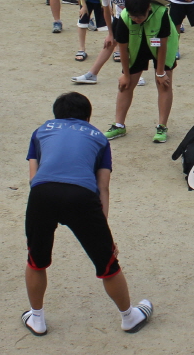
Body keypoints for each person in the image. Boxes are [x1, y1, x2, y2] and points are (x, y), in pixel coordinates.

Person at [22, 91, 153, 337]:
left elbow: (33, 178)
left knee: (36, 260)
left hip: (43, 193)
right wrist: (104, 233)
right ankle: (129, 317)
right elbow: (103, 186)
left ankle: (37, 318)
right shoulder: (100, 139)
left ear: (56, 114)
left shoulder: (40, 131)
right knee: (107, 264)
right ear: (88, 116)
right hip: (81, 196)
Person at [106, 0, 176, 143]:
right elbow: (122, 48)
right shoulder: (124, 17)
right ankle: (119, 125)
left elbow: (163, 44)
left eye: (140, 16)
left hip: (160, 45)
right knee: (126, 84)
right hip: (136, 45)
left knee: (164, 83)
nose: (136, 19)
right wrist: (125, 74)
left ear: (148, 9)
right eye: (133, 16)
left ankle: (162, 126)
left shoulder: (161, 12)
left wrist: (160, 72)